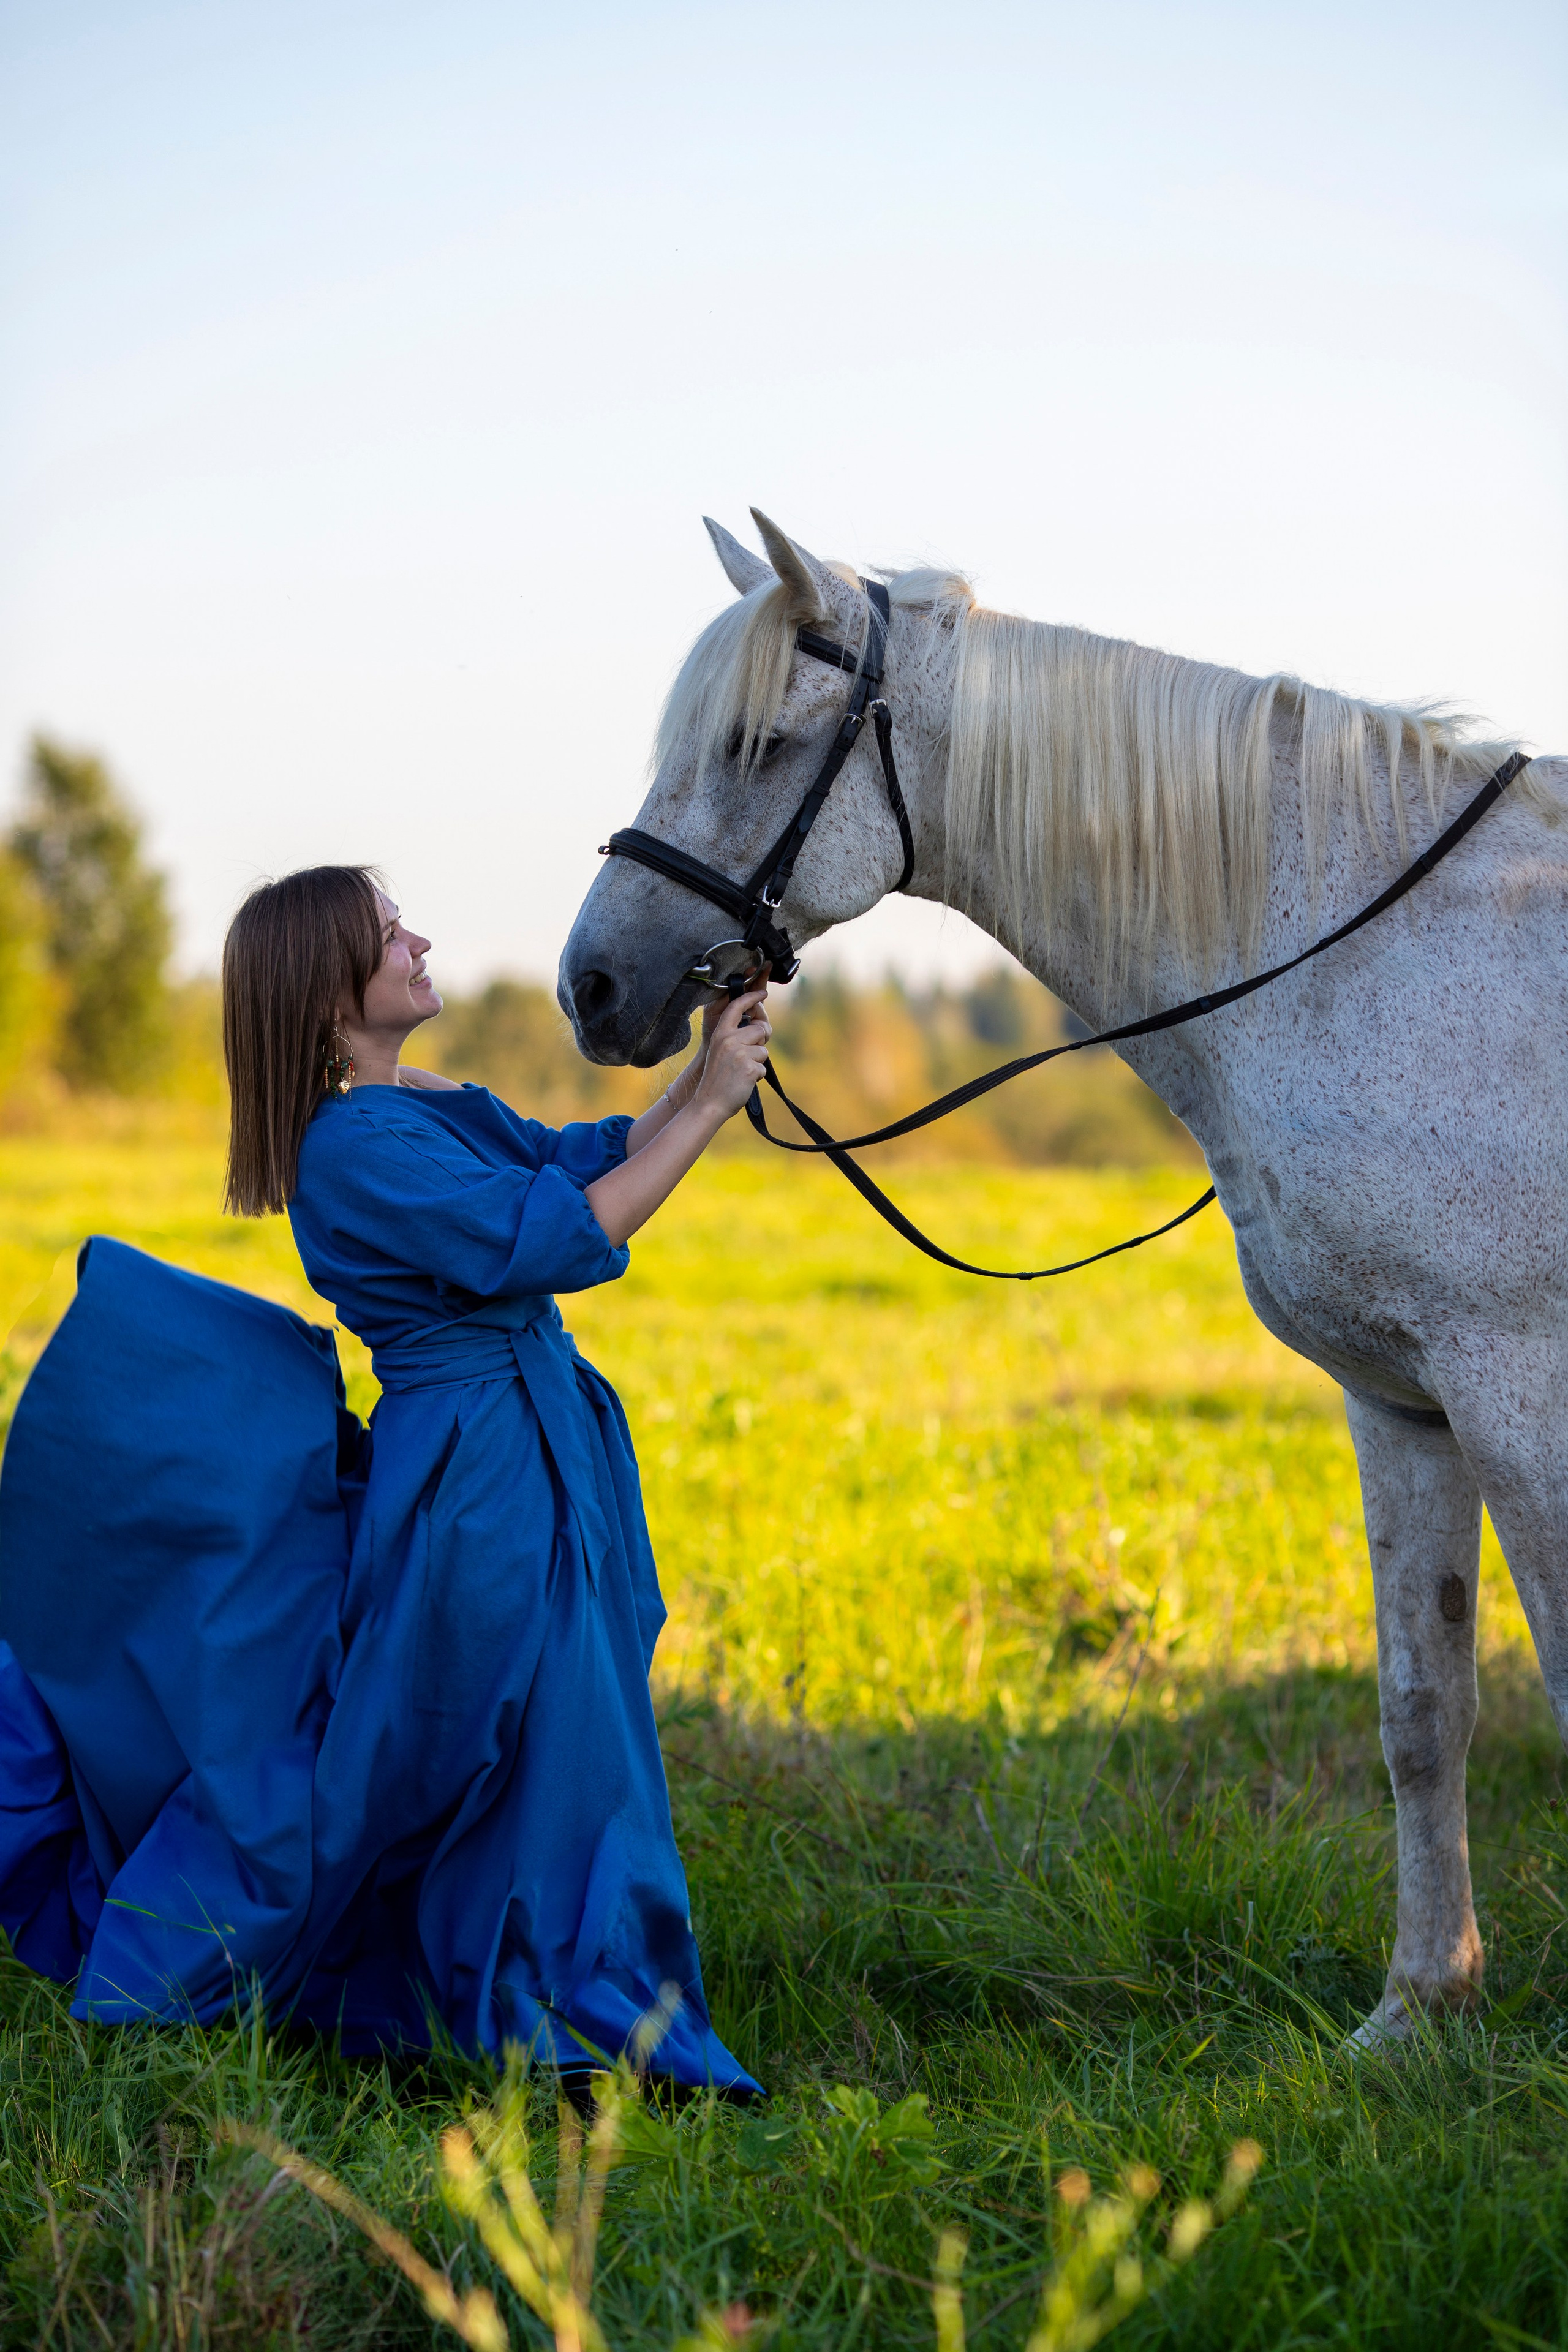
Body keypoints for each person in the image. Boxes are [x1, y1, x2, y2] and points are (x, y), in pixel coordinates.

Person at [0, 864, 769, 2094]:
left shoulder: (419, 1101)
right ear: (325, 995)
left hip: (532, 1434)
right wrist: (716, 1109)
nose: (417, 939)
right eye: (385, 933)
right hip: (475, 1469)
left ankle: (583, 1968)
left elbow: (582, 1159)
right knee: (526, 1728)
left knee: (564, 1717)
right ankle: (555, 1993)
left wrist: (705, 1063)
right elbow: (559, 1238)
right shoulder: (351, 1145)